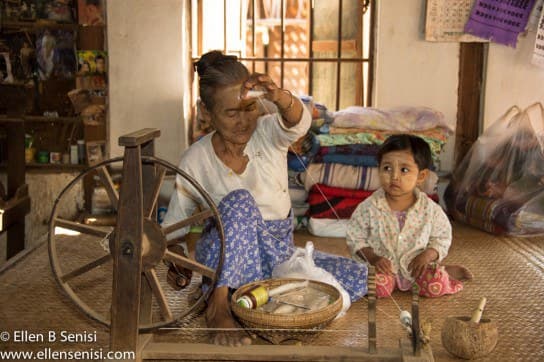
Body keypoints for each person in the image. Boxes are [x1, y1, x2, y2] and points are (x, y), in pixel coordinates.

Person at [162, 50, 367, 346]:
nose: (244, 121)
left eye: (250, 108)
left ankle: (252, 301)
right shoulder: (195, 159)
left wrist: (279, 96)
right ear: (206, 114)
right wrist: (177, 262)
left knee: (358, 276)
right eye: (231, 113)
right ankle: (218, 305)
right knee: (239, 201)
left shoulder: (268, 133)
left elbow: (299, 124)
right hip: (224, 260)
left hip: (275, 253)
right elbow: (175, 230)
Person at [346, 134, 472, 298]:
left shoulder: (431, 210)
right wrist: (374, 258)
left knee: (436, 285)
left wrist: (427, 256)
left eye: (404, 170)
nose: (394, 176)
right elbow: (355, 237)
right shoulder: (368, 207)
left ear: (421, 176)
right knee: (375, 288)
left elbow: (441, 238)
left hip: (418, 267)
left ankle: (446, 272)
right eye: (387, 168)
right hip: (383, 269)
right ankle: (392, 280)